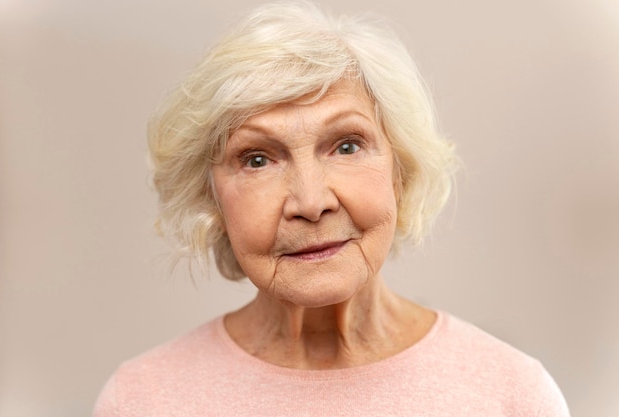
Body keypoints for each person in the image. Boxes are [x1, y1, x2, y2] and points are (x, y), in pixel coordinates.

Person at [93, 2, 569, 416]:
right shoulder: (142, 400)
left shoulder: (513, 396)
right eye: (257, 159)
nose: (311, 202)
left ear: (400, 170)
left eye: (346, 146)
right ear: (209, 198)